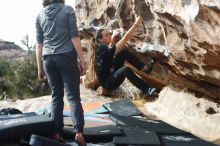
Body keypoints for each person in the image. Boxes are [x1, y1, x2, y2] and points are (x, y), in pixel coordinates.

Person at [35, 0, 86, 145]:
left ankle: (57, 133)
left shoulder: (39, 15)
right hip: (66, 56)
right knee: (73, 97)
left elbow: (39, 45)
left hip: (48, 59)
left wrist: (40, 67)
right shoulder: (67, 10)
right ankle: (79, 133)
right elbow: (74, 37)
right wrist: (82, 61)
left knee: (56, 96)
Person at [87, 16, 157, 96]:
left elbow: (110, 50)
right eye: (107, 35)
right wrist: (137, 23)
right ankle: (147, 89)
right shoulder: (103, 51)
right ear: (100, 40)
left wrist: (113, 40)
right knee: (125, 70)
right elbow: (124, 39)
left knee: (122, 52)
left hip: (110, 74)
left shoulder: (99, 48)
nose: (110, 36)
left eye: (109, 34)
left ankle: (145, 68)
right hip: (108, 84)